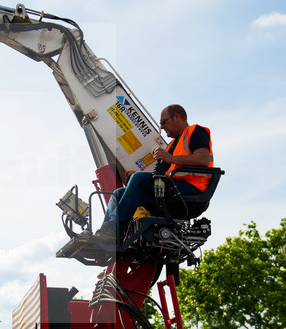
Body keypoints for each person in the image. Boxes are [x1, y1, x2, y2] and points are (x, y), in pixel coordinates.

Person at [88, 104, 213, 246]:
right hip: (174, 189)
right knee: (119, 193)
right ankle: (107, 232)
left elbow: (203, 159)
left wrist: (170, 158)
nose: (162, 127)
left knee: (138, 179)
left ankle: (115, 231)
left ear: (177, 117)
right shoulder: (173, 145)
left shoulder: (195, 131)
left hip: (190, 191)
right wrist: (137, 177)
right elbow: (161, 174)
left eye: (163, 122)